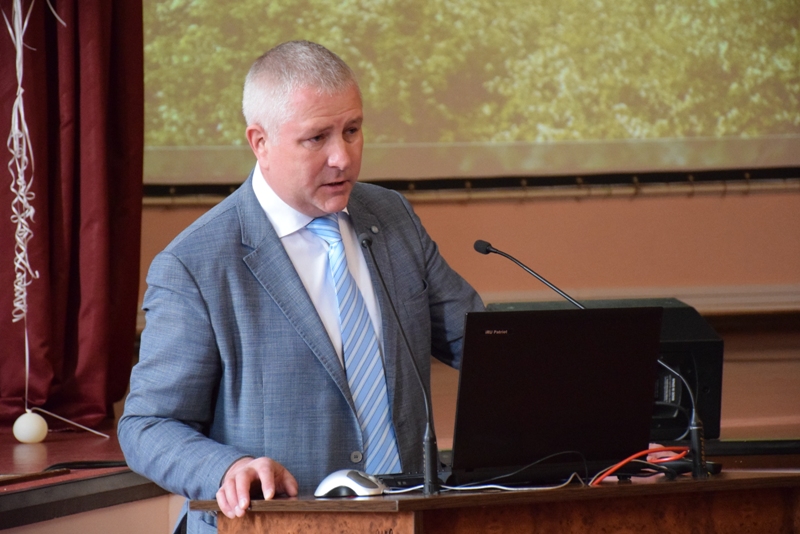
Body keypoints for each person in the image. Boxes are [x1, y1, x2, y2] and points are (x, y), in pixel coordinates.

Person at [118, 40, 483, 533]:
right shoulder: (195, 264)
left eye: (352, 131)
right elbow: (148, 425)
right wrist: (227, 468)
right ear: (260, 142)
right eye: (316, 138)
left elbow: (482, 343)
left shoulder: (391, 216)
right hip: (275, 524)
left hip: (409, 520)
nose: (342, 158)